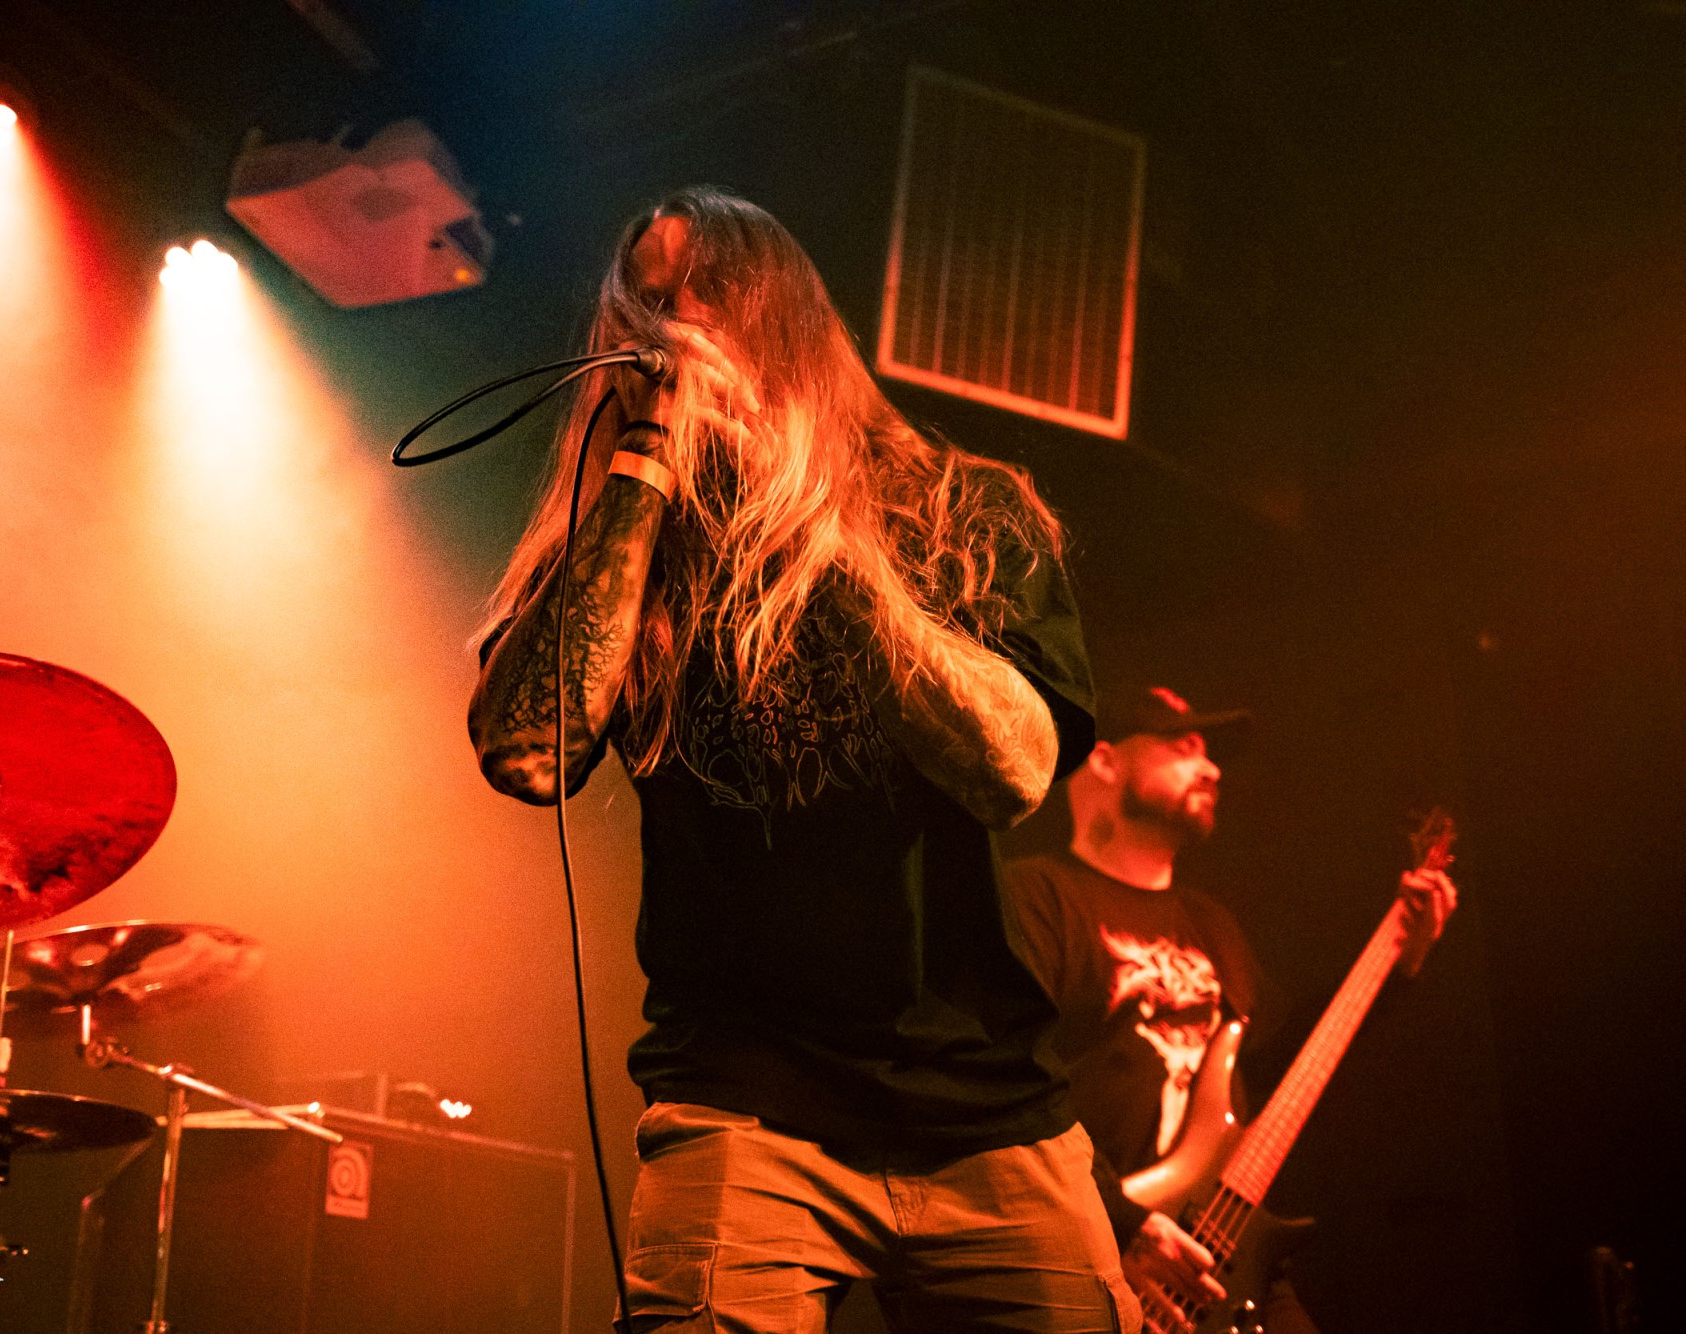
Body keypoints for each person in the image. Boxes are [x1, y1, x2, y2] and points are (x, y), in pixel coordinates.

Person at [468, 188, 1139, 1333]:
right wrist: (643, 466)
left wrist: (801, 525)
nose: (678, 324)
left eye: (711, 292)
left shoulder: (958, 510)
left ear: (783, 314)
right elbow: (528, 750)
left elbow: (1014, 767)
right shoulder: (622, 535)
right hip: (742, 1106)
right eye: (651, 300)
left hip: (988, 1112)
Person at [998, 686, 1458, 1332]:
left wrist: (1396, 963)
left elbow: (1276, 1077)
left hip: (1229, 1260)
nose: (1211, 767)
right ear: (1104, 760)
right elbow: (1011, 1080)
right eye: (1183, 746)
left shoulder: (1210, 924)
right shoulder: (1037, 899)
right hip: (1108, 1256)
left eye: (1211, 753)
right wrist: (1122, 1227)